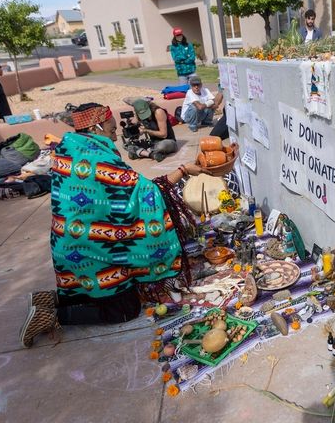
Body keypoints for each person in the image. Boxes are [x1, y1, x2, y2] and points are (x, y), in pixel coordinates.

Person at [20, 102, 210, 348]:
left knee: (95, 291)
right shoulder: (96, 157)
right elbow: (144, 193)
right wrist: (183, 170)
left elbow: (123, 192)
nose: (115, 133)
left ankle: (49, 299)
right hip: (94, 251)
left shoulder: (70, 149)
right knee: (125, 310)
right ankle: (52, 315)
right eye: (110, 129)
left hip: (73, 248)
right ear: (95, 126)